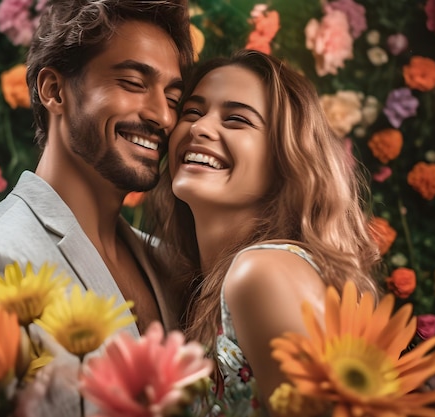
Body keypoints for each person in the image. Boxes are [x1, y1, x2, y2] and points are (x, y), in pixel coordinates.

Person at [0, 0, 192, 414]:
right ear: (54, 90)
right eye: (132, 82)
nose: (162, 115)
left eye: (174, 98)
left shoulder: (167, 263)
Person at [144, 49, 382, 416]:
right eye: (192, 112)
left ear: (285, 158)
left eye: (237, 120)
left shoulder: (260, 273)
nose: (200, 128)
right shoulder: (216, 281)